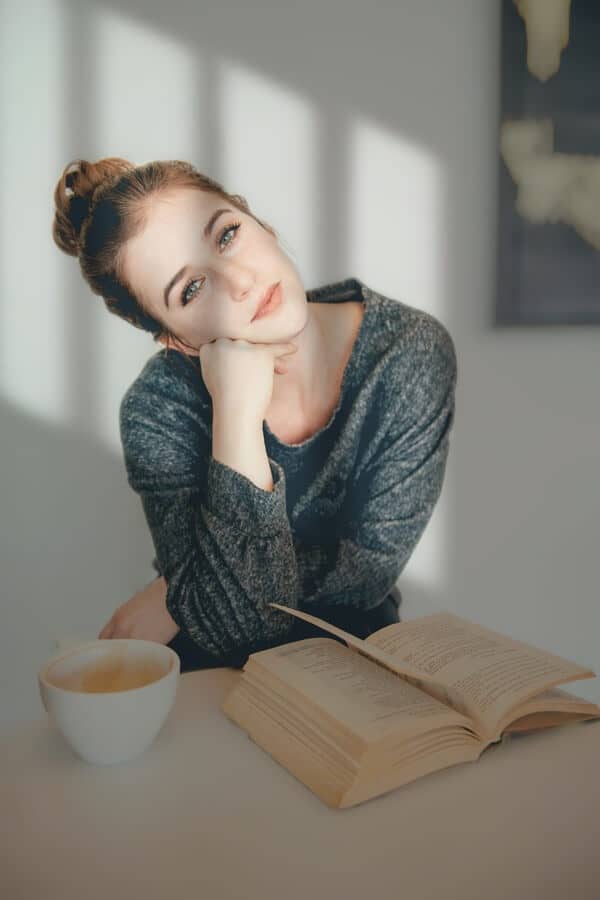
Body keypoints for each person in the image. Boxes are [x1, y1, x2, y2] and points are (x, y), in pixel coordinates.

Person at [51, 157, 457, 673]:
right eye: (191, 289)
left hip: (358, 661)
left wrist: (182, 589)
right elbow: (238, 626)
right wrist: (236, 415)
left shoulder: (406, 354)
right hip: (213, 675)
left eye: (226, 236)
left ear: (255, 219)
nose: (239, 280)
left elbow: (367, 576)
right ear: (178, 340)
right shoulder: (158, 409)